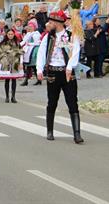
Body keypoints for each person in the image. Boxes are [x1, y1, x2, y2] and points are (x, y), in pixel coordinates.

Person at [36, 10, 83, 144]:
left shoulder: (71, 36)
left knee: (72, 102)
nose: (48, 24)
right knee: (52, 102)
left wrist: (70, 67)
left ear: (57, 23)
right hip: (53, 72)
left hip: (67, 73)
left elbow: (75, 52)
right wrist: (39, 69)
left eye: (51, 22)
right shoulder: (48, 37)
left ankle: (77, 134)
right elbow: (41, 53)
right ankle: (49, 131)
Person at [0, 29, 24, 103]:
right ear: (7, 35)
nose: (10, 35)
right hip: (6, 63)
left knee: (14, 80)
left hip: (15, 63)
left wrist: (21, 63)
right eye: (9, 34)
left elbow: (21, 53)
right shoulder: (3, 43)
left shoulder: (17, 43)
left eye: (12, 34)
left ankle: (13, 97)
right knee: (7, 80)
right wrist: (4, 57)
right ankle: (7, 97)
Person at [20, 20, 41, 86]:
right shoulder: (28, 34)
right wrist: (18, 45)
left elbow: (37, 42)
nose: (30, 28)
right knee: (30, 65)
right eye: (29, 26)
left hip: (34, 50)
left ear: (34, 27)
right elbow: (24, 41)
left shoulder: (36, 34)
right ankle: (35, 80)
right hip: (28, 50)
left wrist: (29, 44)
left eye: (31, 26)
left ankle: (29, 80)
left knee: (32, 65)